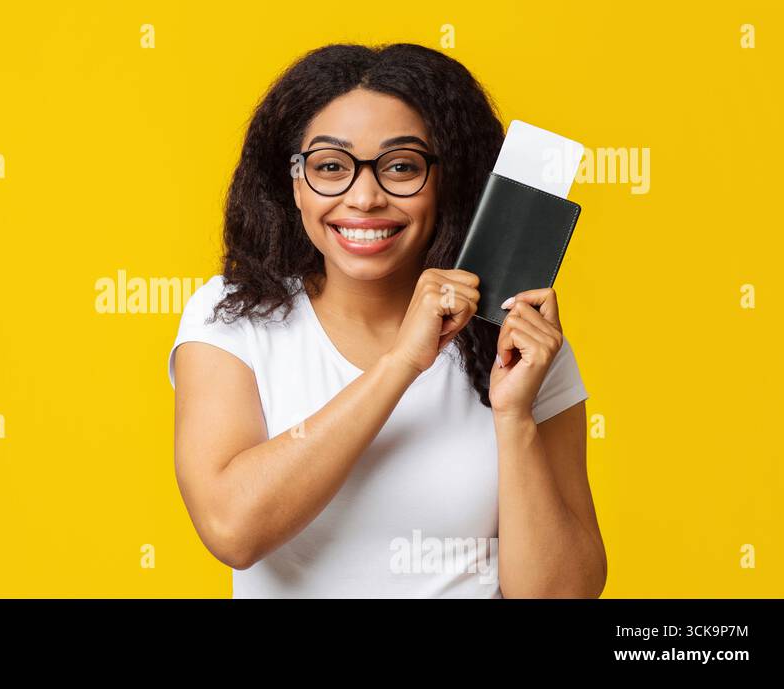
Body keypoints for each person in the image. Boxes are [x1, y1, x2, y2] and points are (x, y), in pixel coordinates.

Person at [168, 43, 605, 598]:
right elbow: (233, 528)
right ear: (294, 183)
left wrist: (515, 416)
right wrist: (401, 363)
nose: (366, 197)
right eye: (331, 167)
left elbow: (562, 596)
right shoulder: (233, 318)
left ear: (446, 181)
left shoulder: (520, 343)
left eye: (402, 167)